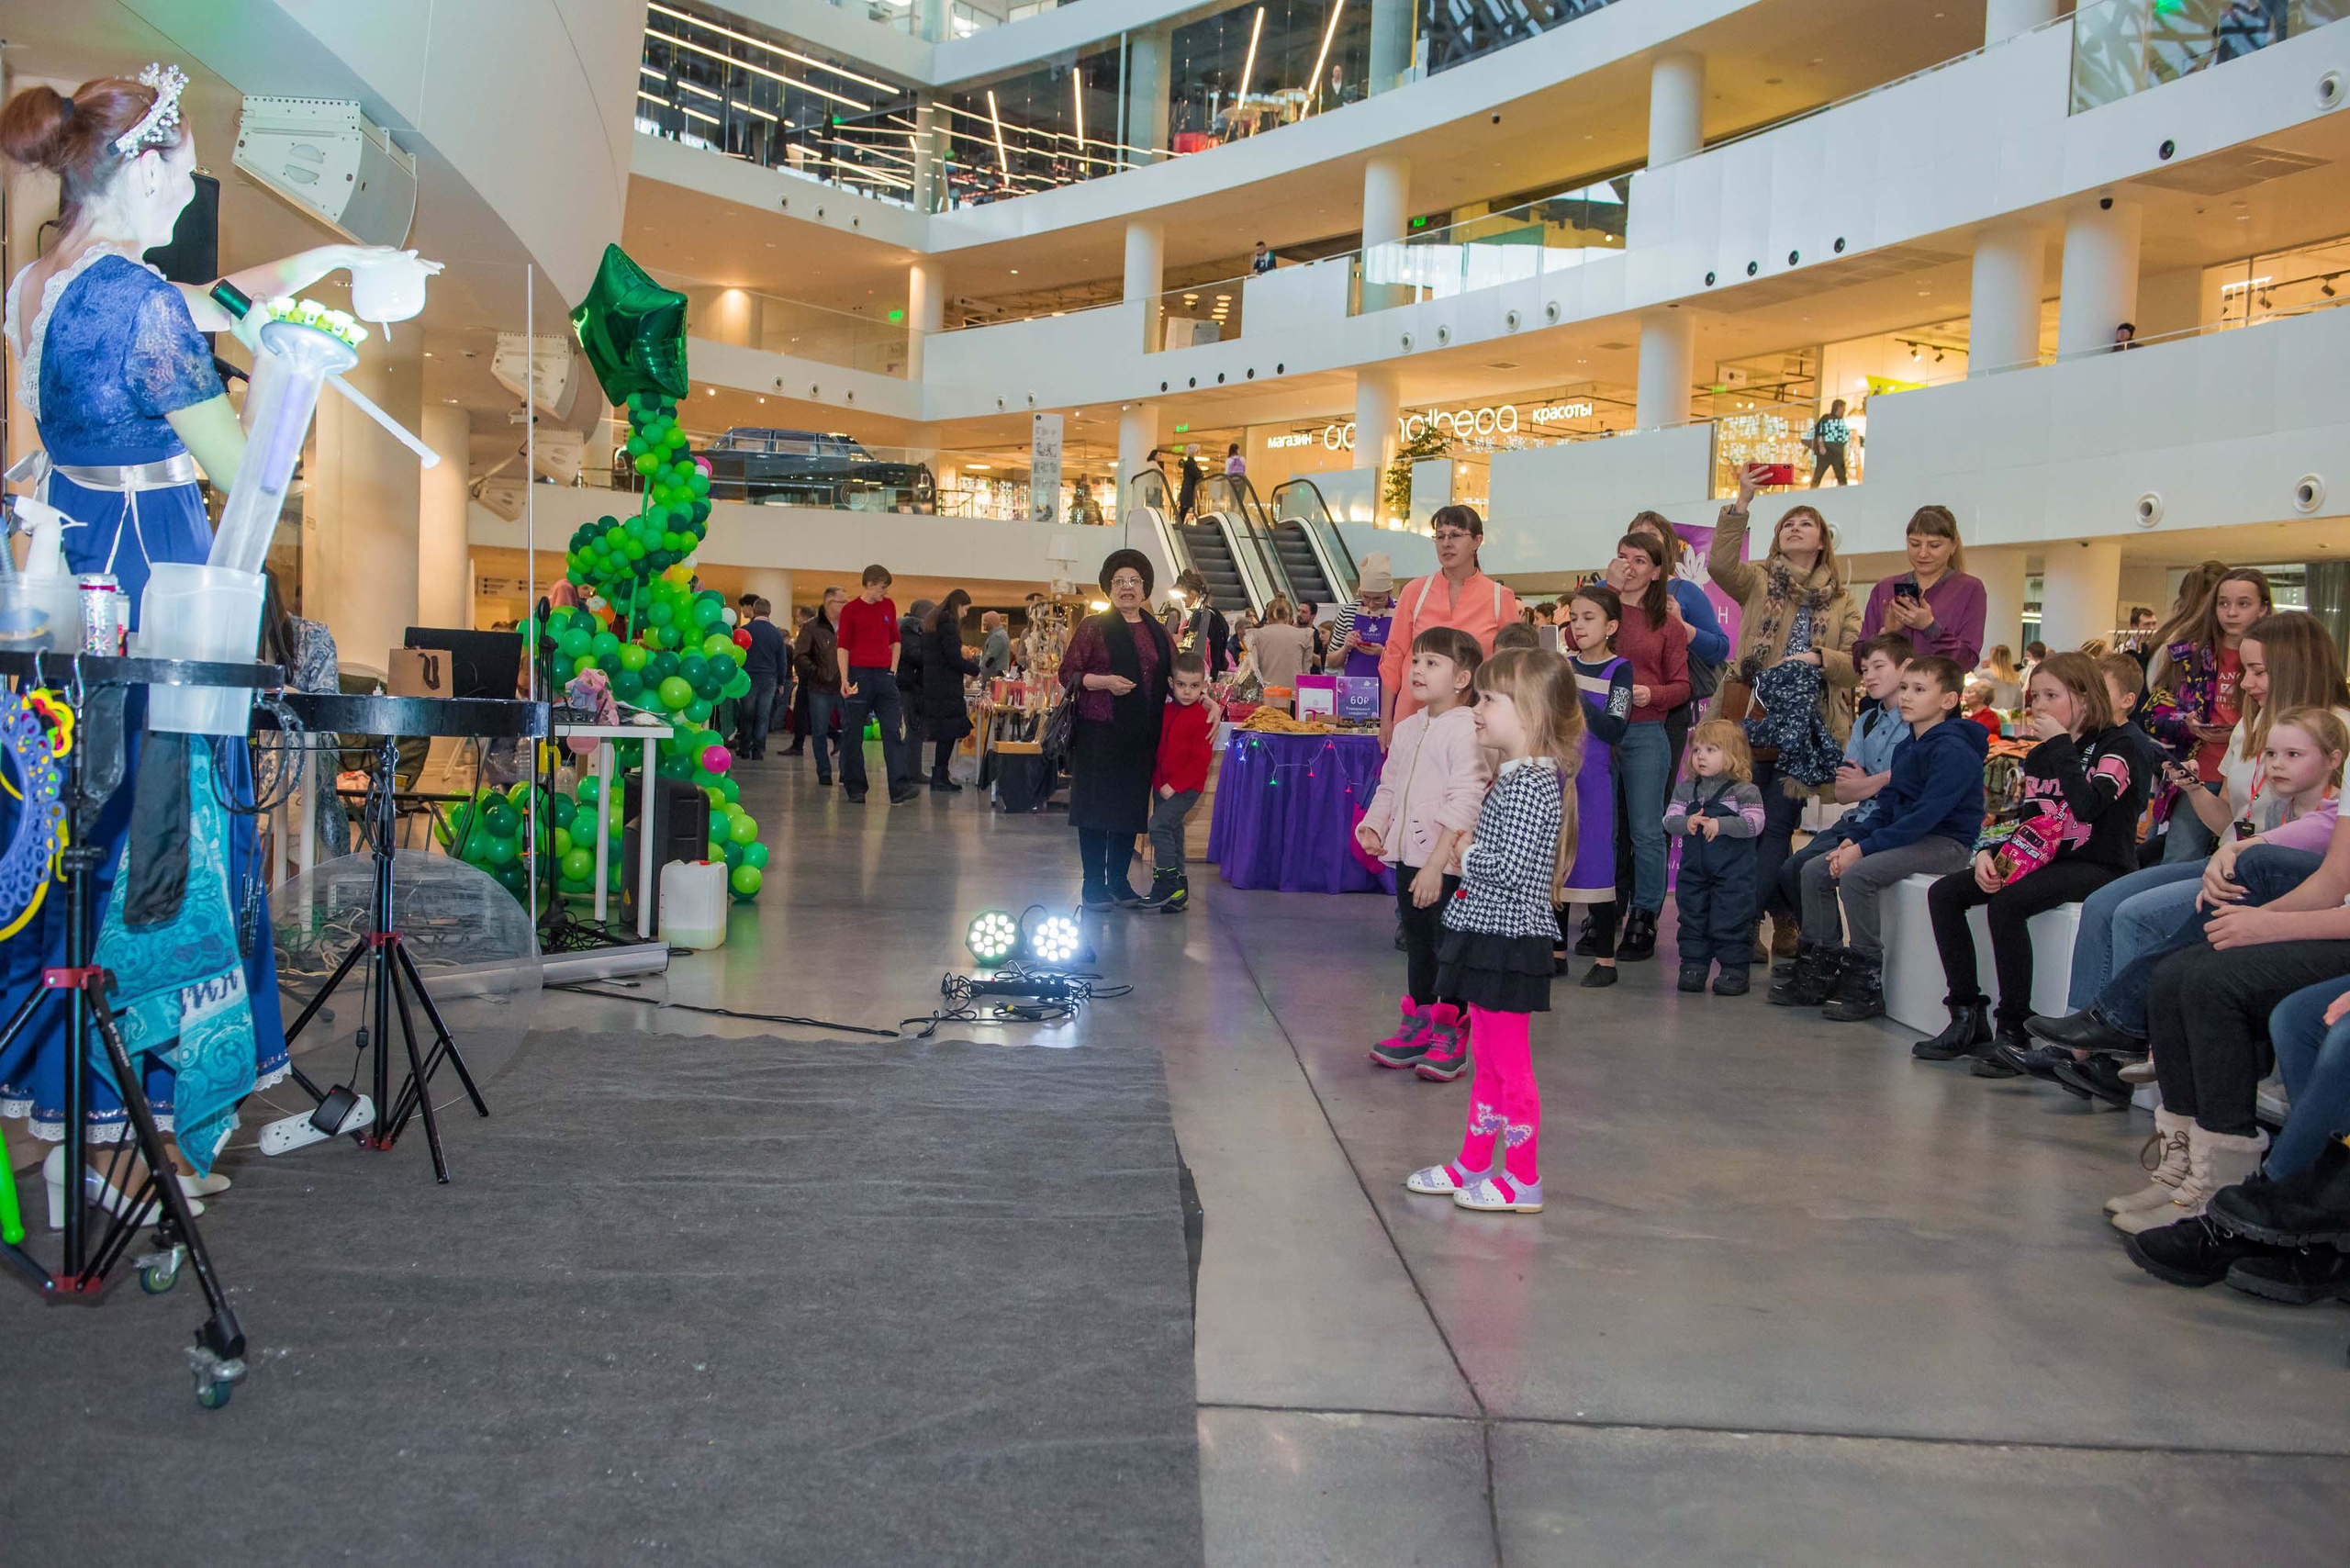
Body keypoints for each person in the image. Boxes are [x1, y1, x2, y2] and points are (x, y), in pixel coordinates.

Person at [0, 70, 400, 1201]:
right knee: (165, 838)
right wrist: (298, 373)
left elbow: (200, 298)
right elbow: (244, 470)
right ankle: (141, 1123)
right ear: (142, 166)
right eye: (185, 167)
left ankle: (86, 1110)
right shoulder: (138, 303)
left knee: (84, 826)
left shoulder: (43, 281)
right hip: (162, 572)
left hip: (73, 569)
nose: (193, 187)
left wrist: (316, 274)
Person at [2024, 614, 2350, 1068]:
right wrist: (2195, 789)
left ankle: (2113, 1041)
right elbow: (2230, 822)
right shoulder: (2250, 727)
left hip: (2259, 870)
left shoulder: (2333, 728)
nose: (2246, 682)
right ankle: (2081, 1042)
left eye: (2259, 670)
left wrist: (2237, 850)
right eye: (2247, 669)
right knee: (2103, 904)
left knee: (2136, 916)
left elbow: (2326, 832)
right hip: (2229, 857)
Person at [1401, 649, 1583, 1215]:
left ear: (1528, 714)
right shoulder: (1514, 777)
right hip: (1487, 934)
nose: (1476, 708)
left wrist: (1464, 847)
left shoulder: (1533, 784)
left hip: (1509, 942)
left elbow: (1509, 866)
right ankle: (1474, 1162)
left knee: (1510, 1068)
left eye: (1488, 699)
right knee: (1488, 1063)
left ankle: (1522, 1178)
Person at [1915, 653, 2151, 1070]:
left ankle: (2013, 1029)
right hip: (2045, 858)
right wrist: (1991, 853)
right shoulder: (2043, 755)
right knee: (1946, 893)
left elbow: (2087, 807)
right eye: (2035, 695)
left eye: (2051, 695)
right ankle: (1967, 1015)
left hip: (2101, 864)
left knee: (2008, 905)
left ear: (2083, 695)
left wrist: (2062, 743)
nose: (2039, 705)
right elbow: (2033, 823)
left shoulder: (2121, 745)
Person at [1710, 468, 1863, 962]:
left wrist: (1821, 659)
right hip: (1749, 715)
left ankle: (1742, 925)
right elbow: (1718, 564)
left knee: (1777, 825)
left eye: (1806, 523)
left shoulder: (1842, 598)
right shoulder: (1757, 580)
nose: (1795, 528)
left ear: (1822, 541)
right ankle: (1773, 915)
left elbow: (1856, 662)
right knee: (1745, 823)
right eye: (1787, 524)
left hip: (1807, 724)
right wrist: (1742, 500)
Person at [1794, 656, 1989, 1023]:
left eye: (1919, 689)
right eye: (1904, 688)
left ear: (1948, 700)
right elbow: (1887, 808)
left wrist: (1864, 850)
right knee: (1814, 870)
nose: (1906, 697)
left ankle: (1866, 981)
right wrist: (1852, 840)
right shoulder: (1908, 748)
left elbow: (1924, 818)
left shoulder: (1955, 750)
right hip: (1911, 837)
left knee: (1858, 875)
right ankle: (1820, 969)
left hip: (1945, 844)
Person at [1360, 626, 1490, 1075]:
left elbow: (1467, 798)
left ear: (1462, 678)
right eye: (1415, 660)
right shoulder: (1409, 726)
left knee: (1448, 946)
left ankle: (1452, 1033)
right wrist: (1375, 824)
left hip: (1447, 863)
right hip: (1409, 859)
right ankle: (1417, 1025)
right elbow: (1391, 784)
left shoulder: (1468, 728)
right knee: (1418, 945)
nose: (1417, 669)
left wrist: (1439, 861)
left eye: (1432, 663)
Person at [1769, 632, 1916, 996]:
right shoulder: (1867, 719)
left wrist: (1873, 780)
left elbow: (1907, 782)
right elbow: (1843, 790)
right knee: (1790, 869)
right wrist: (1882, 779)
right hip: (1859, 817)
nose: (1869, 676)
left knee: (1816, 869)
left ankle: (1839, 966)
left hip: (1891, 821)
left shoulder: (1920, 722)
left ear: (1905, 668)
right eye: (1864, 669)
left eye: (1878, 667)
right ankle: (1823, 955)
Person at [1062, 550, 1177, 909]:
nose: (1127, 588)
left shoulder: (1158, 632)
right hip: (1099, 733)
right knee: (1095, 809)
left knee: (1128, 810)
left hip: (1141, 735)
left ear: (1145, 588)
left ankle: (1119, 882)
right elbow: (1068, 674)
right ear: (1109, 588)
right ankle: (1093, 885)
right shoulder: (1093, 627)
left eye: (1134, 582)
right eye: (1119, 582)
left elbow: (1176, 677)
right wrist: (1103, 682)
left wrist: (1203, 700)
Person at [1600, 532, 1692, 961]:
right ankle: (1603, 910)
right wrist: (1608, 591)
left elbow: (1682, 687)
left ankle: (1645, 915)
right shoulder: (1602, 608)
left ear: (1657, 572)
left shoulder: (1667, 624)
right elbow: (1572, 642)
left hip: (1645, 729)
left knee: (1645, 830)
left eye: (1640, 560)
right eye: (1623, 558)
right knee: (1605, 828)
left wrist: (1650, 695)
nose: (1630, 566)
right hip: (1600, 727)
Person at [2147, 566, 2272, 862]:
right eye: (2223, 603)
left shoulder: (2276, 659)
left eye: (2243, 604)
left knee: (2245, 861)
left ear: (2263, 609)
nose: (2231, 612)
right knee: (2179, 857)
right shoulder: (2188, 654)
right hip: (2197, 770)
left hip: (2254, 775)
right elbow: (2154, 710)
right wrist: (2186, 723)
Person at [1378, 505, 1524, 743]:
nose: (1446, 543)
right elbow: (1393, 657)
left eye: (1455, 535)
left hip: (1474, 721)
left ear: (1477, 541)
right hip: (1412, 717)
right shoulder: (1414, 592)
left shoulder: (1501, 597)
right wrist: (1386, 721)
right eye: (1440, 536)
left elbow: (1514, 668)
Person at [1560, 584, 1633, 987]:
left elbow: (1614, 727)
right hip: (1557, 777)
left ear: (1611, 626)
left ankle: (1606, 960)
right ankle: (1556, 953)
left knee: (1596, 865)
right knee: (1557, 862)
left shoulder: (1619, 669)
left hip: (1594, 780)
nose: (1578, 626)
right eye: (1573, 618)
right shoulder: (1562, 663)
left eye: (1588, 618)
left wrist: (1577, 694)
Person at [1664, 721, 1767, 997]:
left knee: (1731, 917)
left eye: (1711, 750)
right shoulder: (1687, 790)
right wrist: (1687, 822)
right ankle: (1693, 965)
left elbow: (1755, 823)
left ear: (1732, 754)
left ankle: (1734, 969)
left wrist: (1722, 825)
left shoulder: (1745, 791)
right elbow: (1669, 819)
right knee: (1692, 917)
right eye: (1696, 749)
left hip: (1733, 875)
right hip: (1694, 872)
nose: (1700, 756)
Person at [1858, 505, 1986, 668]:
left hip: (1939, 691)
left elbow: (1967, 660)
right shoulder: (1885, 588)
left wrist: (1929, 627)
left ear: (1953, 545)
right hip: (1889, 692)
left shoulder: (1969, 588)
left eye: (1934, 546)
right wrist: (1887, 635)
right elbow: (1858, 658)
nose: (1923, 553)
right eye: (1915, 544)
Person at [837, 564, 917, 804]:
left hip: (884, 676)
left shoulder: (888, 606)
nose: (884, 593)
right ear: (870, 584)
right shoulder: (850, 610)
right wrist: (844, 678)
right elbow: (843, 646)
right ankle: (855, 786)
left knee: (893, 729)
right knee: (853, 732)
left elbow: (895, 639)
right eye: (882, 588)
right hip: (859, 675)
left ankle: (899, 787)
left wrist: (892, 670)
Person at [1145, 650, 1214, 913]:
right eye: (1182, 685)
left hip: (1186, 788)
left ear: (1203, 687)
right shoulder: (1165, 711)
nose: (1187, 692)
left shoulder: (1203, 718)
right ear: (1171, 684)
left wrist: (1175, 786)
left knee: (1159, 826)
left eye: (1194, 686)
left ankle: (1166, 882)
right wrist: (1159, 781)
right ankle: (1180, 893)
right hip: (1161, 784)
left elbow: (1200, 761)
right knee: (1173, 831)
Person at [917, 589, 980, 792]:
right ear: (958, 605)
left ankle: (941, 775)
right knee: (948, 733)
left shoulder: (933, 622)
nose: (965, 614)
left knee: (945, 733)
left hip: (936, 686)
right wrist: (974, 669)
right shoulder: (948, 623)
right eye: (965, 609)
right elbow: (952, 657)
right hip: (946, 688)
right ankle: (940, 776)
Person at [794, 588, 844, 781]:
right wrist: (818, 673)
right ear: (829, 602)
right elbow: (800, 656)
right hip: (820, 687)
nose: (845, 604)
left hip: (845, 686)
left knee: (850, 728)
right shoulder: (811, 627)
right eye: (842, 601)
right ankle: (824, 771)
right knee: (820, 730)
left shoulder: (848, 625)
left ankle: (845, 771)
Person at [734, 598, 789, 760]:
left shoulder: (745, 630)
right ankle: (758, 749)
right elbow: (782, 660)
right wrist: (780, 682)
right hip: (769, 679)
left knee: (747, 713)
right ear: (769, 611)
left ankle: (744, 747)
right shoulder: (777, 634)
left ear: (754, 610)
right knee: (763, 715)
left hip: (748, 677)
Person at [1325, 554, 1393, 678]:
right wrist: (1345, 647)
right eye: (1366, 597)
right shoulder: (1348, 612)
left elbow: (1413, 659)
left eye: (1378, 599)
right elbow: (1331, 662)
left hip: (1391, 690)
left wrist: (1383, 653)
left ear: (1389, 592)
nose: (1371, 605)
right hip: (1354, 689)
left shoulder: (1401, 611)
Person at [1248, 594, 1315, 692]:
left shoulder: (1256, 635)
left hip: (1267, 694)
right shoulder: (1306, 635)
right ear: (1291, 616)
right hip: (1294, 694)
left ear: (1268, 615)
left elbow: (1253, 668)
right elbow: (1306, 671)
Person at [1175, 570, 1233, 678]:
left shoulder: (1203, 619)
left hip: (1203, 674)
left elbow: (1203, 652)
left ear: (1192, 594)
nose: (1183, 600)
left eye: (1184, 597)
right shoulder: (1215, 616)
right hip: (1215, 673)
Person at [784, 605, 818, 754]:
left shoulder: (809, 629)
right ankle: (798, 743)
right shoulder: (816, 628)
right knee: (808, 709)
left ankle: (798, 744)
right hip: (810, 675)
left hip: (807, 675)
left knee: (802, 710)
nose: (796, 618)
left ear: (804, 616)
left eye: (798, 616)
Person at [1808, 398, 1854, 487]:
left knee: (1841, 477)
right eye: (1843, 408)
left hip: (1837, 453)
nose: (1844, 411)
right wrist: (1821, 446)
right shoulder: (1827, 418)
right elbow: (1819, 433)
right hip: (1827, 452)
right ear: (1839, 408)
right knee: (1818, 475)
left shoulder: (1841, 422)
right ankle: (1812, 491)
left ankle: (1845, 493)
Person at [1977, 644, 2025, 708]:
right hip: (2008, 715)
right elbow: (2019, 704)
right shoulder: (2016, 679)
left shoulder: (1985, 674)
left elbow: (1974, 695)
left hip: (1989, 714)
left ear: (1992, 657)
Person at [979, 610, 1012, 681]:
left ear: (992, 622)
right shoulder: (998, 635)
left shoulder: (998, 636)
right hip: (996, 676)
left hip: (995, 677)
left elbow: (990, 657)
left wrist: (979, 672)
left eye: (985, 621)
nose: (983, 623)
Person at [1177, 448, 1204, 522]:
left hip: (1188, 486)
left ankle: (1180, 522)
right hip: (1189, 487)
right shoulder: (1191, 462)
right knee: (1186, 505)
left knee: (1186, 506)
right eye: (1197, 451)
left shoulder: (1189, 462)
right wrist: (1201, 473)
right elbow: (1196, 473)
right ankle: (1180, 522)